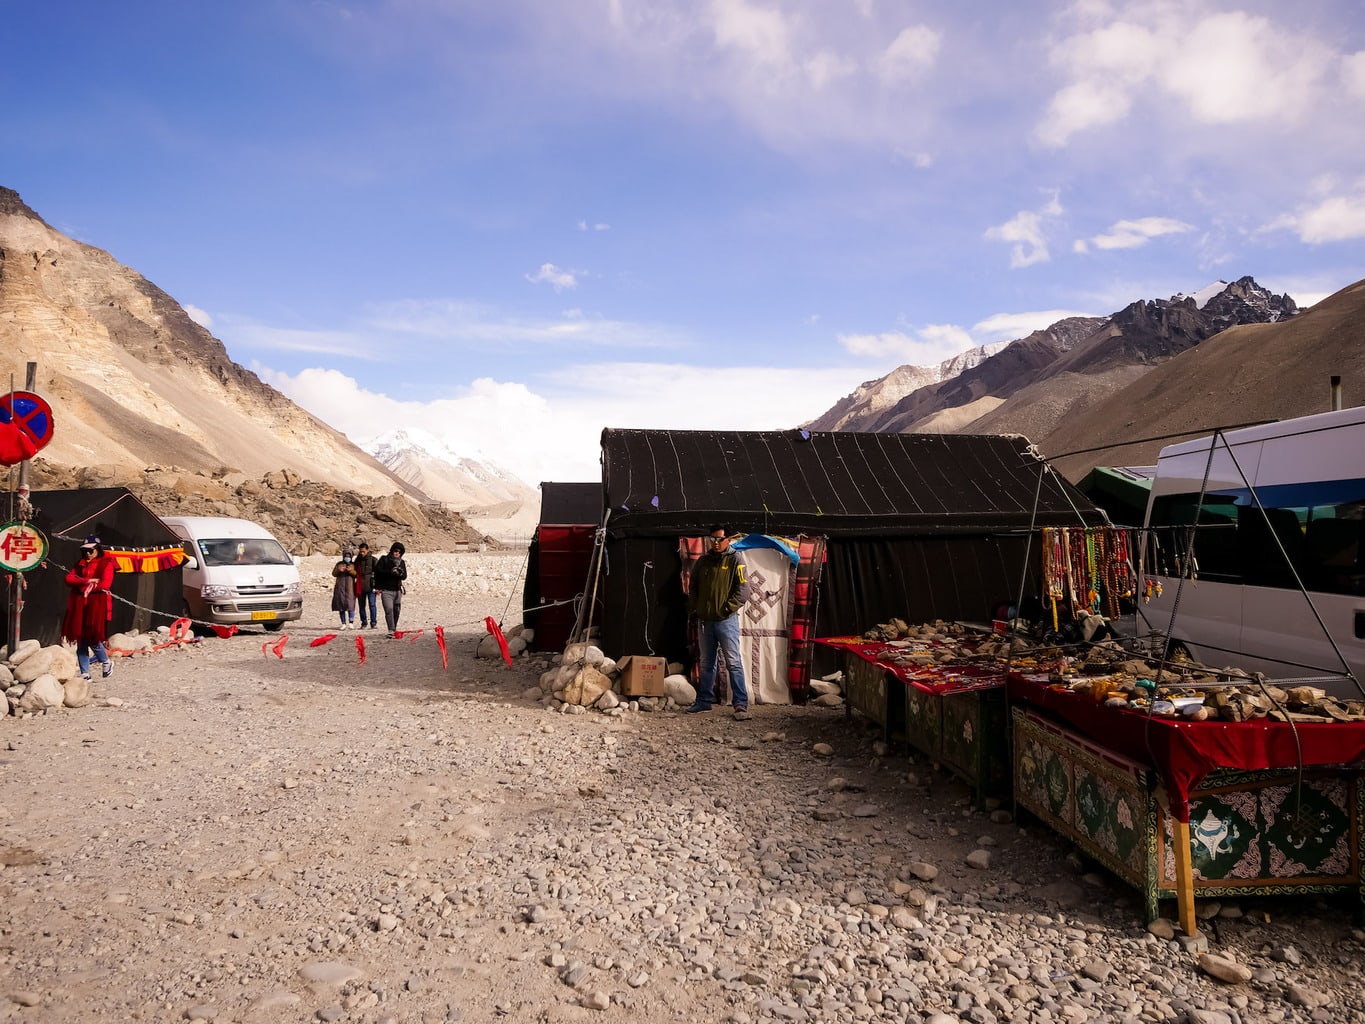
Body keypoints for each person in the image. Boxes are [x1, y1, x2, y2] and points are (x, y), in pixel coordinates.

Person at [686, 526, 751, 719]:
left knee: (733, 662)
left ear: (728, 539)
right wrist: (696, 608)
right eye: (712, 539)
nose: (715, 542)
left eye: (719, 539)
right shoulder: (703, 561)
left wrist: (725, 609)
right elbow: (694, 585)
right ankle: (704, 701)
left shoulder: (736, 560)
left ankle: (740, 703)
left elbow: (744, 590)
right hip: (705, 621)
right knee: (706, 663)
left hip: (726, 621)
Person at [62, 535, 116, 681]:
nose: (88, 553)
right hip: (80, 603)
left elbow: (105, 584)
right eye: (85, 551)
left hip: (96, 603)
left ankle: (106, 661)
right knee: (80, 638)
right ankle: (85, 673)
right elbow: (69, 579)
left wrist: (82, 584)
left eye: (91, 550)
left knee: (93, 636)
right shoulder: (80, 563)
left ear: (97, 549)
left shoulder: (107, 563)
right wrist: (88, 581)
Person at [373, 541, 408, 635]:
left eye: (400, 552)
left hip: (397, 590)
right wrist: (390, 571)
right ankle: (391, 630)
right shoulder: (384, 559)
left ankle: (394, 628)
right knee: (389, 609)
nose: (397, 553)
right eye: (395, 551)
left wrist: (399, 573)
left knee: (396, 610)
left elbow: (404, 576)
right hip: (386, 590)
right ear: (392, 551)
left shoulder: (401, 562)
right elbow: (378, 571)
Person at [331, 548, 358, 629]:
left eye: (349, 556)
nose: (347, 557)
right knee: (341, 606)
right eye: (346, 555)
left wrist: (351, 571)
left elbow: (356, 574)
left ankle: (351, 622)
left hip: (350, 588)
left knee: (350, 605)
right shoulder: (339, 564)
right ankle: (343, 623)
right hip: (340, 588)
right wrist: (339, 570)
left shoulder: (353, 564)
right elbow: (334, 574)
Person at [353, 541, 378, 629]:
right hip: (360, 586)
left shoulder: (373, 560)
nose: (362, 553)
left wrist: (377, 586)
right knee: (361, 606)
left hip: (371, 586)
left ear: (367, 550)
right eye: (360, 551)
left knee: (372, 605)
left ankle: (373, 622)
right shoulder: (357, 560)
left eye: (363, 551)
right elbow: (354, 571)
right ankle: (364, 623)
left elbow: (378, 573)